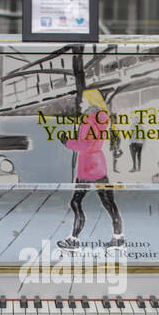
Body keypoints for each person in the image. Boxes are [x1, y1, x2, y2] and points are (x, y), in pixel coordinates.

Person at [59, 89, 125, 251]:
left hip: (87, 167)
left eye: (83, 100)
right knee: (108, 202)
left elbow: (86, 145)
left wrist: (67, 142)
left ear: (90, 102)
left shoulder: (89, 120)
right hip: (98, 165)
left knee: (76, 201)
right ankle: (118, 237)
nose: (80, 103)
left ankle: (73, 240)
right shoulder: (100, 120)